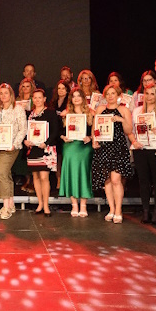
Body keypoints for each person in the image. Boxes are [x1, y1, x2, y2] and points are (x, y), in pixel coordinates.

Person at [91, 84, 134, 224]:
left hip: (118, 148)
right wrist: (94, 140)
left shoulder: (124, 110)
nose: (110, 96)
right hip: (103, 147)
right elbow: (95, 127)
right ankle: (111, 209)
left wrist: (121, 120)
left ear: (119, 95)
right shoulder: (100, 109)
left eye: (113, 93)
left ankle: (118, 210)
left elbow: (129, 130)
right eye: (108, 94)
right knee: (107, 180)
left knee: (116, 180)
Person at [129, 83, 156, 224]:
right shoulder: (137, 111)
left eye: (153, 94)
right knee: (143, 181)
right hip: (140, 149)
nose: (149, 96)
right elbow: (131, 131)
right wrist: (134, 141)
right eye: (147, 93)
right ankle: (145, 211)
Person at [0, 83, 27, 219]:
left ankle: (6, 207)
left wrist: (15, 144)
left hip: (11, 147)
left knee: (0, 173)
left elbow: (23, 129)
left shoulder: (18, 109)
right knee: (6, 174)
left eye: (6, 93)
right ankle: (11, 204)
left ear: (11, 94)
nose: (3, 96)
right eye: (1, 93)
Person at [24, 89, 62, 216]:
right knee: (35, 177)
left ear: (45, 99)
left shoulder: (50, 112)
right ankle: (40, 203)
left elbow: (55, 131)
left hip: (46, 149)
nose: (37, 100)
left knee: (44, 177)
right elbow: (26, 131)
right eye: (35, 98)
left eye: (40, 97)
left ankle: (46, 205)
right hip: (33, 149)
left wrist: (46, 143)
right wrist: (25, 141)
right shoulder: (30, 114)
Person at [58, 89, 94, 217]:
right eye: (74, 96)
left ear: (83, 98)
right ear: (71, 99)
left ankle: (83, 205)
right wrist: (63, 137)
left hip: (84, 146)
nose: (76, 98)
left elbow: (96, 131)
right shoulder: (65, 114)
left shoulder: (91, 113)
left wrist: (90, 137)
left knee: (84, 172)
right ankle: (74, 205)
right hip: (70, 145)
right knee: (71, 172)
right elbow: (59, 131)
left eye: (79, 96)